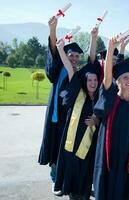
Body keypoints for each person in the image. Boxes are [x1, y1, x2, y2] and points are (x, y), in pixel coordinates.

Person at [93, 37, 129, 200]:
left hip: (128, 157)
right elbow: (107, 78)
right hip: (108, 156)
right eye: (125, 77)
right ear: (117, 81)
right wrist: (111, 49)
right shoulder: (110, 99)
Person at [38, 16, 84, 190]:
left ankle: (64, 177)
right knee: (55, 144)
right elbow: (54, 53)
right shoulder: (58, 69)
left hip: (70, 116)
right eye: (71, 55)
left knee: (67, 147)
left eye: (76, 56)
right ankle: (54, 177)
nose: (73, 58)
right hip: (56, 115)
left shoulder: (77, 73)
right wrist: (53, 31)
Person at [52, 38, 101, 200]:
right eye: (90, 80)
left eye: (95, 80)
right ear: (85, 81)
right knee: (73, 175)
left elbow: (92, 60)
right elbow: (70, 69)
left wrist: (96, 121)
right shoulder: (78, 93)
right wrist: (60, 49)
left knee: (86, 176)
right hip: (73, 142)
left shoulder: (100, 99)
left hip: (90, 146)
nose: (93, 83)